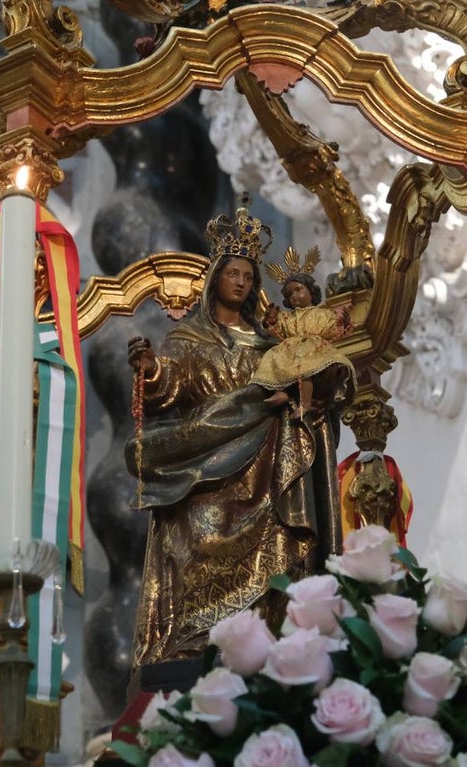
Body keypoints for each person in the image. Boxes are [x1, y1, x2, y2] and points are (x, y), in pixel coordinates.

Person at [125, 202, 345, 671]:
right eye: (233, 273)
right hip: (205, 464)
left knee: (278, 539)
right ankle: (197, 641)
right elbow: (172, 383)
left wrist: (300, 397)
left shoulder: (270, 344)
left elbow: (302, 384)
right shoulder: (189, 338)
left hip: (264, 468)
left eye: (248, 274)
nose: (242, 281)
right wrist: (151, 370)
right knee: (195, 536)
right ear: (215, 279)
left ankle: (269, 631)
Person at [252, 254, 355, 419]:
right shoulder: (288, 317)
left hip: (313, 350)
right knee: (274, 357)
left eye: (298, 290)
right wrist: (270, 320)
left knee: (305, 366)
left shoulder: (322, 314)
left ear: (311, 291)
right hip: (290, 349)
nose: (293, 296)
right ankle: (281, 391)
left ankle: (305, 404)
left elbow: (332, 331)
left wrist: (343, 323)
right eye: (289, 294)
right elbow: (277, 330)